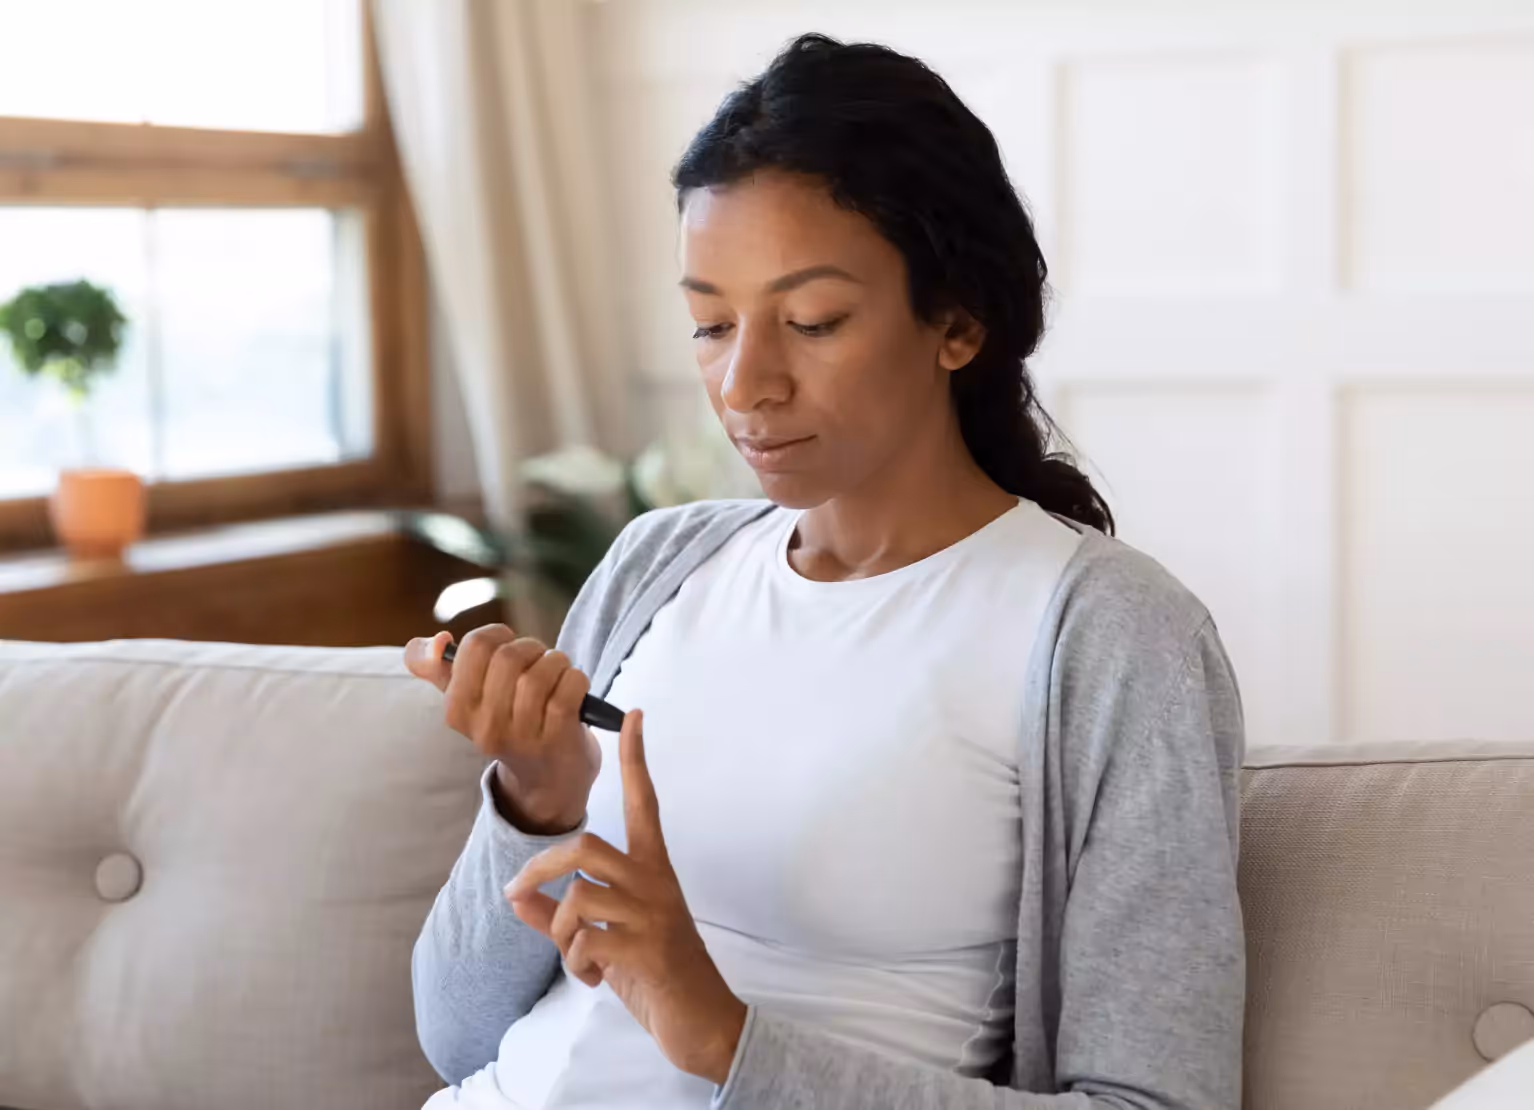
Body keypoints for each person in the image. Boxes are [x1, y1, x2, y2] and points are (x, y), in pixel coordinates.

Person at [404, 32, 1244, 1110]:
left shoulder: (1113, 635)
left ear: (956, 320)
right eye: (709, 323)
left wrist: (724, 1038)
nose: (744, 383)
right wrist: (538, 798)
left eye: (810, 321)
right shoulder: (660, 565)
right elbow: (452, 1032)